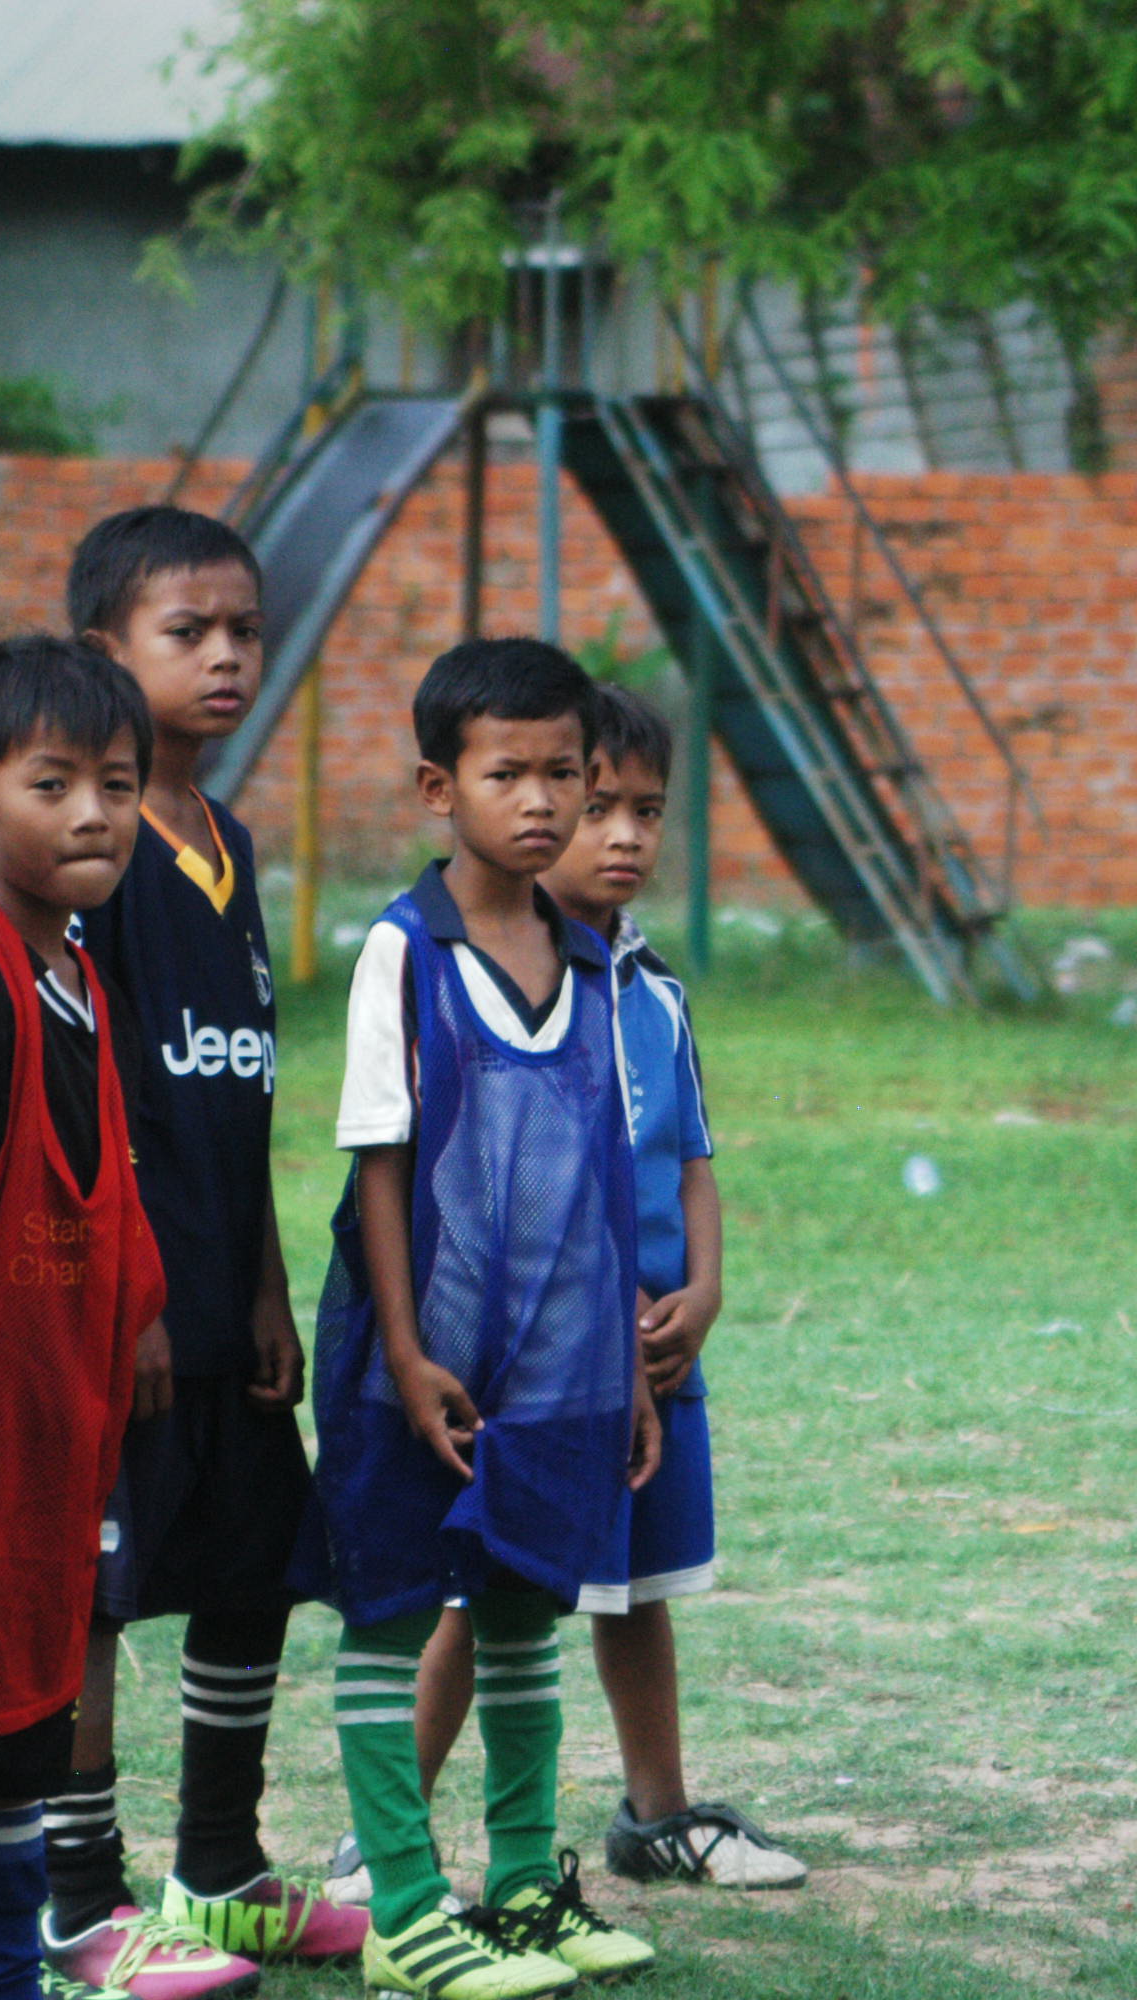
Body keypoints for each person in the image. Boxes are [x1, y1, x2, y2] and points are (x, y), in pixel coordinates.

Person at [338, 683, 803, 1905]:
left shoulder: (644, 990)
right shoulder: (466, 964)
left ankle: (658, 1812)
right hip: (522, 1351)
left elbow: (691, 1156)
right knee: (488, 1588)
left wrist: (702, 1292)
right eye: (597, 805)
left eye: (642, 810)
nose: (619, 836)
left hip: (644, 1356)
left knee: (635, 1583)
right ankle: (382, 1837)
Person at [305, 637, 665, 2000]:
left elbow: (603, 1178)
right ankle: (403, 1906)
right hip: (426, 1361)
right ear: (433, 788)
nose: (540, 801)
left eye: (562, 773)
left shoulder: (594, 963)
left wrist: (620, 1365)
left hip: (563, 1365)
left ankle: (521, 1884)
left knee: (523, 1619)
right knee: (394, 1617)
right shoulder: (405, 956)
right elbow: (379, 1167)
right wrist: (403, 1350)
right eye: (504, 772)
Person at [0, 636, 218, 2000]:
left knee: (24, 1744)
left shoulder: (82, 976)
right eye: (52, 782)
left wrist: (136, 1320)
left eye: (118, 785)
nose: (92, 814)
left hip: (54, 1442)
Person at [42, 507, 355, 1989]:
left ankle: (220, 1867)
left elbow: (238, 1096)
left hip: (229, 1291)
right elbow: (85, 1094)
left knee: (251, 1561)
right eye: (190, 632)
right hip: (121, 1304)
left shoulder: (228, 840)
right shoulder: (83, 853)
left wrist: (267, 1280)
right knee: (98, 1584)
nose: (230, 656)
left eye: (246, 628)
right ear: (103, 651)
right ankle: (77, 1898)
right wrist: (135, 1292)